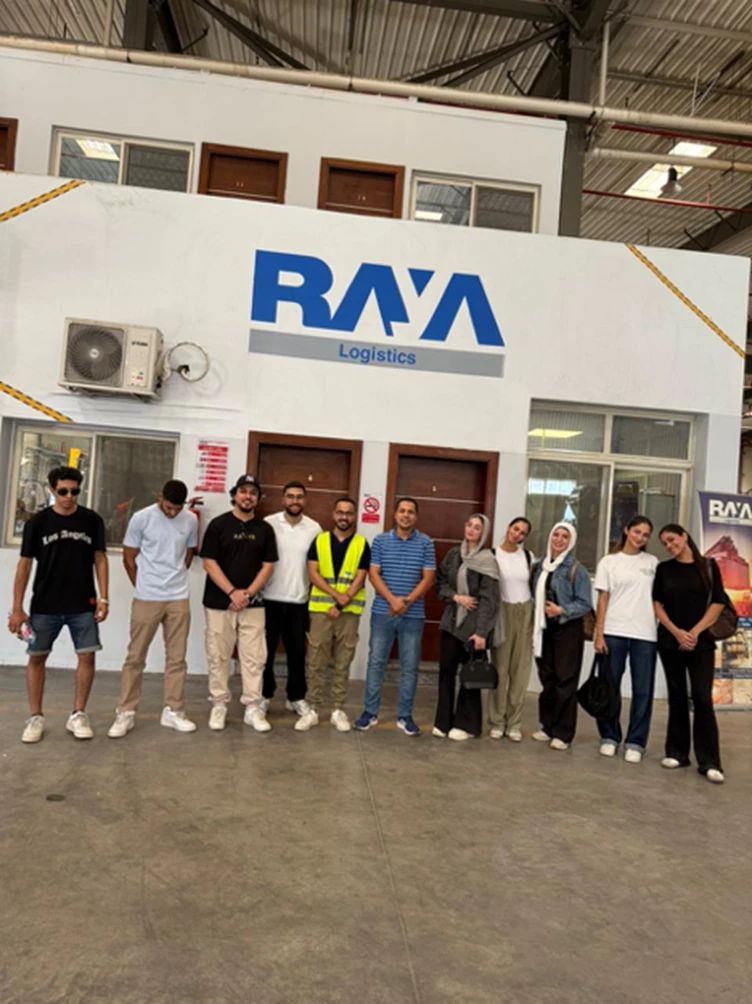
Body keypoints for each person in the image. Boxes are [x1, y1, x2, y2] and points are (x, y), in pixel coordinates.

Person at [8, 466, 108, 743]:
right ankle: (35, 716)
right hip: (45, 605)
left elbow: (100, 559)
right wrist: (17, 608)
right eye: (63, 491)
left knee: (87, 656)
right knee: (37, 657)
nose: (68, 497)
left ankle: (78, 714)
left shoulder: (92, 520)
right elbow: (24, 565)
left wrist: (104, 597)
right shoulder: (37, 523)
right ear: (52, 490)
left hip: (83, 603)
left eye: (74, 492)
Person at [108, 480, 198, 738]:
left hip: (178, 597)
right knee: (135, 657)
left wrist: (174, 578)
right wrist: (143, 586)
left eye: (177, 509)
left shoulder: (191, 519)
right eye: (169, 507)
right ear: (160, 497)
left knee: (177, 658)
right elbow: (129, 558)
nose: (173, 512)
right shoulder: (141, 518)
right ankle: (126, 712)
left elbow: (188, 554)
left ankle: (174, 710)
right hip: (147, 597)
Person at [201, 474, 278, 732]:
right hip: (218, 602)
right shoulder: (218, 525)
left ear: (258, 498)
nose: (248, 497)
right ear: (234, 495)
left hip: (252, 604)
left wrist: (247, 594)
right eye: (243, 491)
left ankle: (253, 707)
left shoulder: (264, 529)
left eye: (253, 493)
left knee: (254, 657)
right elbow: (209, 562)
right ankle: (219, 704)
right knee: (218, 655)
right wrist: (232, 592)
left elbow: (268, 566)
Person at [354, 497, 436, 736]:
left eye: (410, 512)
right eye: (402, 511)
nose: (406, 515)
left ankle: (405, 716)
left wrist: (407, 602)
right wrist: (392, 600)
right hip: (383, 612)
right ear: (395, 514)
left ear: (416, 516)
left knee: (410, 666)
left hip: (413, 615)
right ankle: (370, 712)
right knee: (376, 662)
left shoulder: (426, 543)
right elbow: (374, 574)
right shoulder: (380, 541)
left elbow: (428, 578)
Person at [653, 523, 726, 784]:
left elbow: (718, 602)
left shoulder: (708, 566)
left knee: (702, 698)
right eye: (665, 543)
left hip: (701, 643)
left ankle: (710, 761)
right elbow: (657, 604)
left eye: (672, 540)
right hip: (671, 642)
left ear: (684, 536)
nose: (669, 546)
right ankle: (677, 753)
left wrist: (693, 632)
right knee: (677, 696)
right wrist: (677, 633)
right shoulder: (664, 569)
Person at [593, 516, 658, 764]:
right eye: (637, 532)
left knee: (643, 690)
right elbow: (603, 599)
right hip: (613, 632)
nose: (640, 537)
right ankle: (609, 737)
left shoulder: (652, 563)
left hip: (645, 635)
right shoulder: (609, 562)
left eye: (645, 534)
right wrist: (599, 634)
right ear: (627, 531)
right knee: (609, 687)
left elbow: (658, 599)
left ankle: (636, 742)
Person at [305, 497, 371, 732]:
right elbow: (313, 573)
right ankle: (313, 709)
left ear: (354, 516)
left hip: (349, 614)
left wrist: (342, 603)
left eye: (349, 513)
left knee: (343, 662)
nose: (344, 517)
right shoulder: (319, 541)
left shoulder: (362, 544)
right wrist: (336, 596)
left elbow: (360, 577)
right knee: (316, 661)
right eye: (340, 512)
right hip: (321, 611)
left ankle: (337, 710)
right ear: (334, 514)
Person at [433, 513, 500, 741]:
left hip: (473, 627)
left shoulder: (488, 560)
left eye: (477, 527)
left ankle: (466, 725)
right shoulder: (454, 555)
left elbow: (490, 600)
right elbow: (440, 582)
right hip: (451, 622)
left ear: (484, 533)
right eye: (469, 525)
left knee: (470, 676)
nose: (471, 530)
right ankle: (443, 722)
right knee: (446, 673)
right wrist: (456, 597)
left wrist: (481, 633)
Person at [263, 482, 322, 726]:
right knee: (264, 653)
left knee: (297, 654)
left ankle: (296, 697)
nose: (294, 501)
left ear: (304, 501)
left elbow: (318, 565)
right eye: (290, 496)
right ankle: (264, 696)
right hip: (269, 599)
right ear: (283, 499)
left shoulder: (314, 528)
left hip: (299, 600)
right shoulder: (269, 523)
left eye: (299, 497)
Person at [530, 522, 592, 750]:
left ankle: (563, 733)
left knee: (565, 680)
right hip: (544, 628)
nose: (559, 539)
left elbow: (585, 603)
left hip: (567, 629)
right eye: (556, 534)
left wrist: (561, 610)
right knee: (547, 678)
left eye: (565, 536)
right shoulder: (539, 566)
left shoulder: (576, 569)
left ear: (571, 541)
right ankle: (547, 726)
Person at [488, 516, 534, 742]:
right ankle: (497, 721)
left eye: (522, 533)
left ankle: (514, 722)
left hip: (525, 612)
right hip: (502, 612)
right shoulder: (493, 555)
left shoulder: (528, 556)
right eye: (516, 529)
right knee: (500, 669)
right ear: (508, 528)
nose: (517, 534)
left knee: (520, 671)